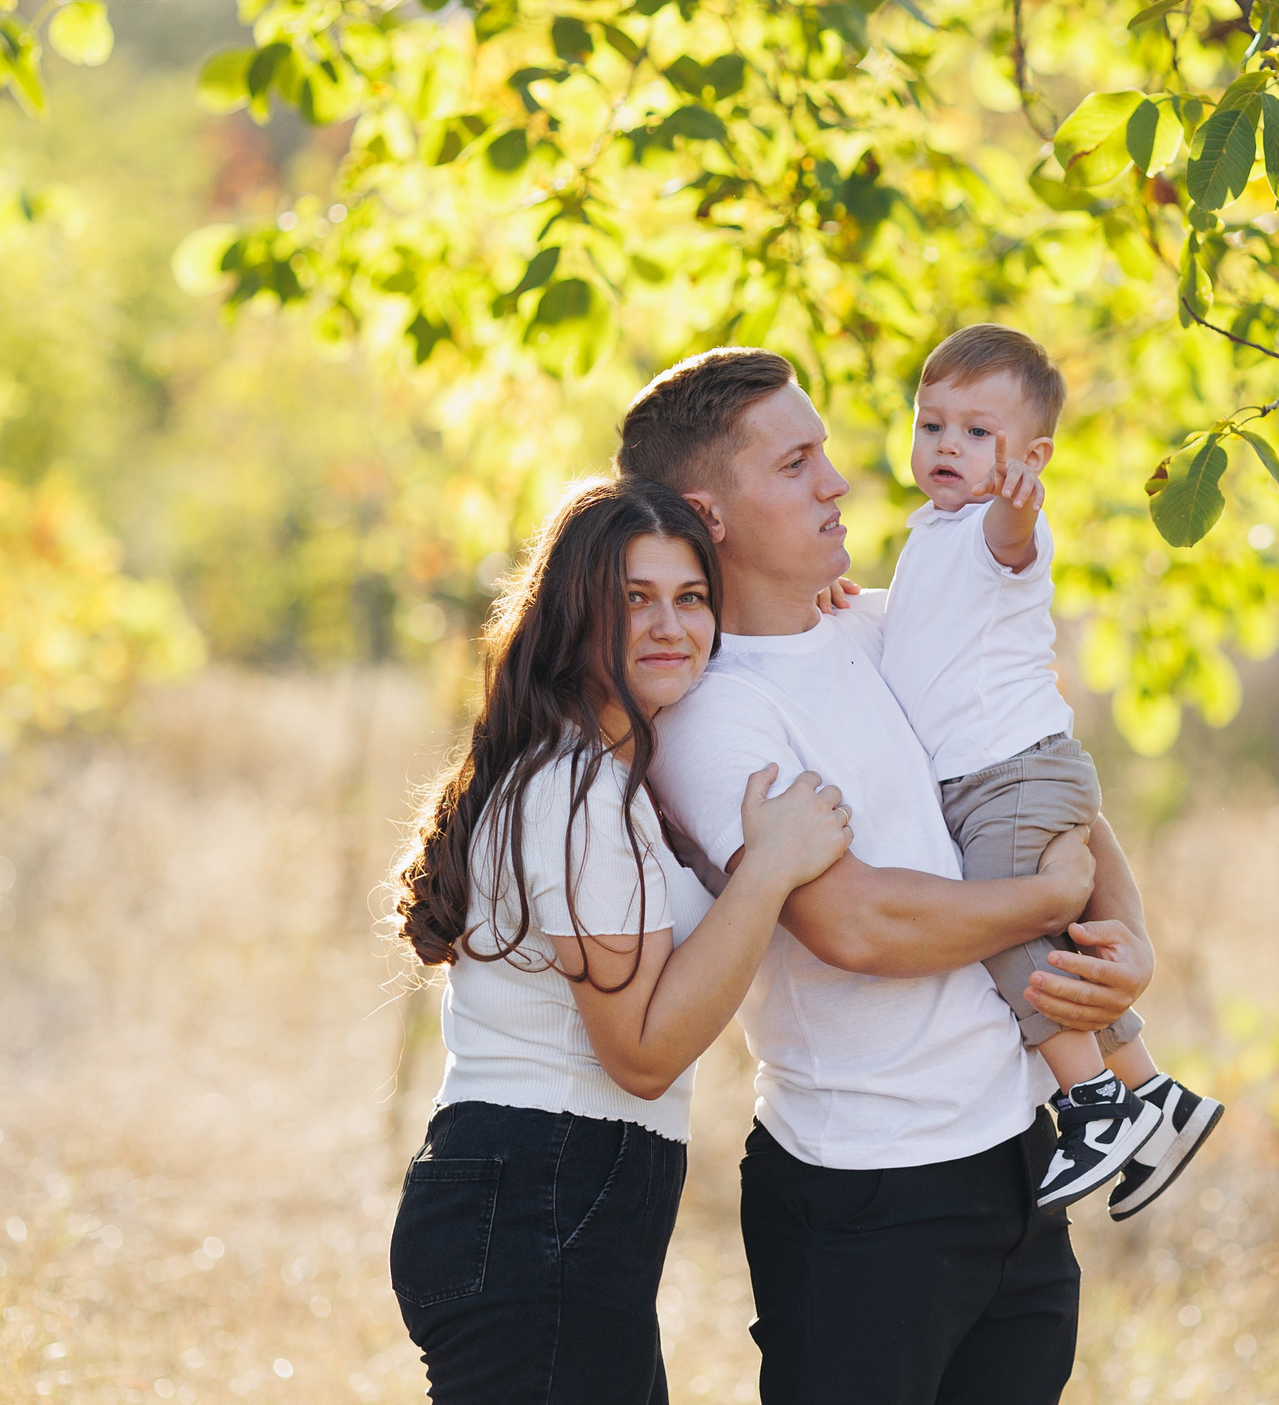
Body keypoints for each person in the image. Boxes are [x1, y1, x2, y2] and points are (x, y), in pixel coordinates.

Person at [622, 348, 1156, 1405]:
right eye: (796, 463)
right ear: (708, 512)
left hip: (1018, 1155)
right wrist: (1050, 904)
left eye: (825, 452)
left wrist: (1125, 938)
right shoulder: (712, 713)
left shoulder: (880, 622)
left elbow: (1042, 772)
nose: (838, 481)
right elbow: (856, 925)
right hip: (865, 1197)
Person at [386, 475, 855, 1404]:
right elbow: (639, 1053)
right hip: (539, 1198)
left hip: (548, 1203)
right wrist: (767, 869)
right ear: (573, 616)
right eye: (632, 600)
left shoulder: (595, 778)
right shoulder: (575, 793)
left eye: (691, 598)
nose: (668, 626)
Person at [880, 323, 1224, 1218]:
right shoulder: (930, 533)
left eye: (977, 432)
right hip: (1015, 775)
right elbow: (928, 626)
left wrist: (1019, 506)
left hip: (1013, 774)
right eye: (931, 424)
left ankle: (1090, 1103)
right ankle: (1152, 1092)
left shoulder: (999, 530)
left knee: (997, 926)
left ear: (1029, 457)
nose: (947, 445)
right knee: (1055, 943)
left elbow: (1009, 545)